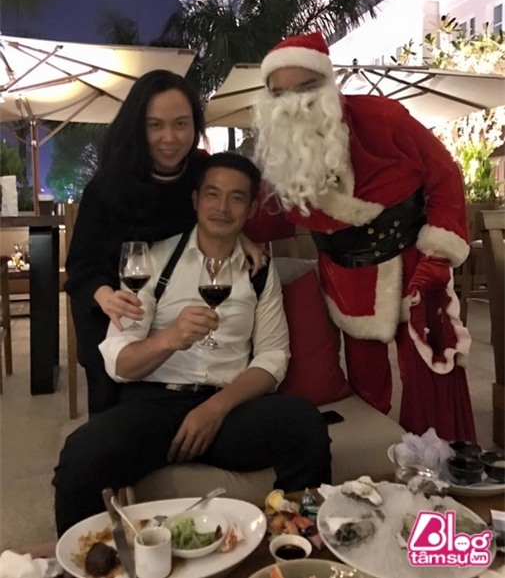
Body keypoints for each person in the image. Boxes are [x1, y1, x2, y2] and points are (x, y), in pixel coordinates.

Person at [53, 152, 332, 536]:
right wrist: (169, 339)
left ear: (251, 208)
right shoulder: (153, 261)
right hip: (154, 406)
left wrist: (216, 407)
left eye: (236, 198)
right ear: (195, 199)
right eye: (212, 194)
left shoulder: (259, 270)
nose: (222, 207)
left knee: (305, 425)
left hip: (229, 410)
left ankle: (294, 541)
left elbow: (272, 357)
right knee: (81, 456)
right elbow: (119, 360)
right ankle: (91, 559)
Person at [253, 31, 476, 441]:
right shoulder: (282, 159)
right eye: (280, 93)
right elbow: (268, 221)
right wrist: (233, 234)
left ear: (327, 83)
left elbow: (445, 174)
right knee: (367, 385)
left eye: (306, 87)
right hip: (346, 276)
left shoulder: (384, 118)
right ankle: (379, 464)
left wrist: (439, 256)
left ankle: (439, 462)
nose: (295, 102)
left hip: (414, 261)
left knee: (431, 368)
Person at [65, 70, 264, 415]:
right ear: (137, 127)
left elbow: (218, 210)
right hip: (116, 309)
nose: (169, 138)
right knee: (113, 409)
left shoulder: (200, 170)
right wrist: (106, 296)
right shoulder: (108, 185)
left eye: (181, 124)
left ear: (195, 126)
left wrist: (241, 236)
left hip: (169, 308)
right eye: (155, 125)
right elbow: (81, 265)